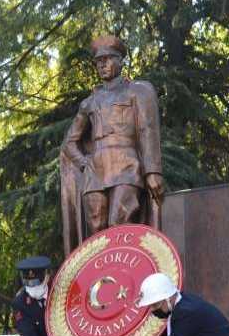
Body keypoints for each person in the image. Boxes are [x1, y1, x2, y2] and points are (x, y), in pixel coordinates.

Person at [58, 34, 164, 257]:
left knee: (120, 225)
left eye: (107, 59)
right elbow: (70, 142)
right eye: (98, 61)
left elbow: (147, 130)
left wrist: (153, 171)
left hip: (126, 166)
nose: (102, 64)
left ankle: (126, 279)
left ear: (120, 61)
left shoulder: (138, 91)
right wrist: (84, 162)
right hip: (95, 173)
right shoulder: (89, 102)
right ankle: (99, 284)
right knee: (96, 233)